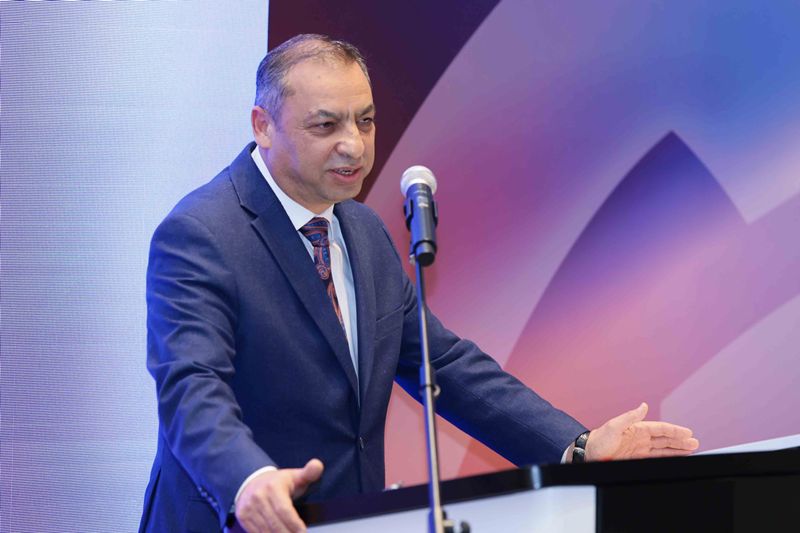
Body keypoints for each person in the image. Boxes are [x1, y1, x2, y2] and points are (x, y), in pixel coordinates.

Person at [139, 34, 699, 533]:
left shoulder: (362, 230)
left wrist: (575, 448)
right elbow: (191, 385)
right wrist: (247, 478)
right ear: (263, 125)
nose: (354, 145)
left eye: (365, 121)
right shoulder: (201, 234)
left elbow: (443, 365)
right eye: (326, 125)